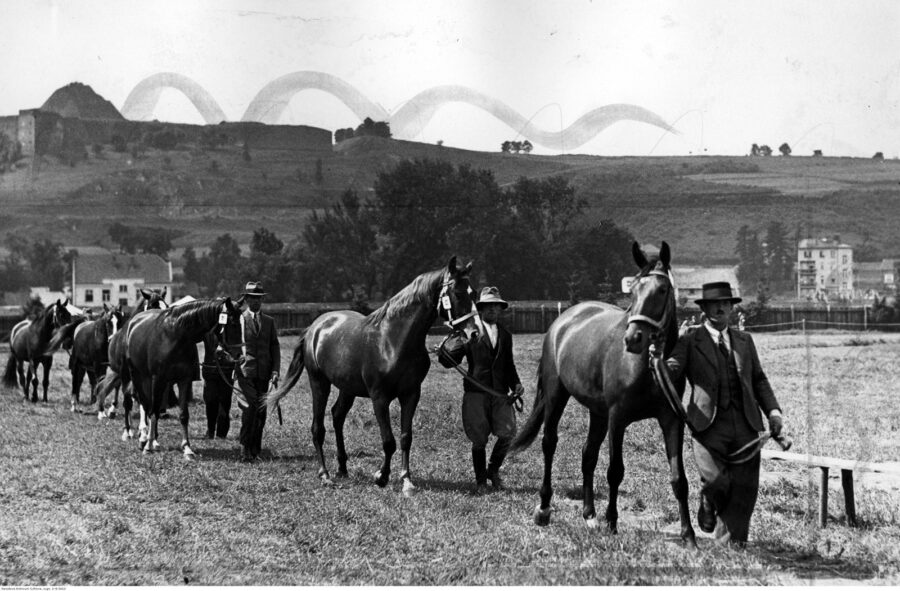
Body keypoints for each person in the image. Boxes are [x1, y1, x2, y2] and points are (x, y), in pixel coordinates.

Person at [664, 281, 784, 545]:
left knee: (744, 489)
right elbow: (671, 370)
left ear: (732, 308)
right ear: (704, 309)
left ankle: (730, 547)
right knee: (716, 481)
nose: (721, 308)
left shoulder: (745, 340)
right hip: (707, 427)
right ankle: (707, 499)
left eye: (726, 304)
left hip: (746, 424)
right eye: (715, 304)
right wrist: (656, 359)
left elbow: (759, 379)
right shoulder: (690, 340)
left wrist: (773, 412)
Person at [441, 286, 524, 494]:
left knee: (508, 433)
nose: (493, 311)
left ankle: (493, 471)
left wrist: (516, 383)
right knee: (479, 439)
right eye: (488, 307)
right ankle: (480, 482)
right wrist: (455, 340)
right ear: (480, 309)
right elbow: (448, 361)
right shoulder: (471, 333)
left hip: (500, 394)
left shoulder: (505, 335)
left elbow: (509, 365)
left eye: (496, 307)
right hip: (476, 394)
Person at [235, 281, 280, 462]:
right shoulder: (238, 319)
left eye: (259, 299)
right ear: (246, 299)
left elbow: (274, 347)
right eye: (252, 298)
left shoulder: (269, 322)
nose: (256, 302)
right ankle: (244, 448)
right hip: (245, 373)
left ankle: (256, 450)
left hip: (264, 374)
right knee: (249, 410)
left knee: (260, 412)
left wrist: (275, 370)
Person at [201, 313, 242, 439]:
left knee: (224, 403)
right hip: (210, 371)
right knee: (210, 401)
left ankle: (221, 434)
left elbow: (237, 348)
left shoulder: (232, 330)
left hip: (226, 370)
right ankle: (210, 430)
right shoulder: (207, 329)